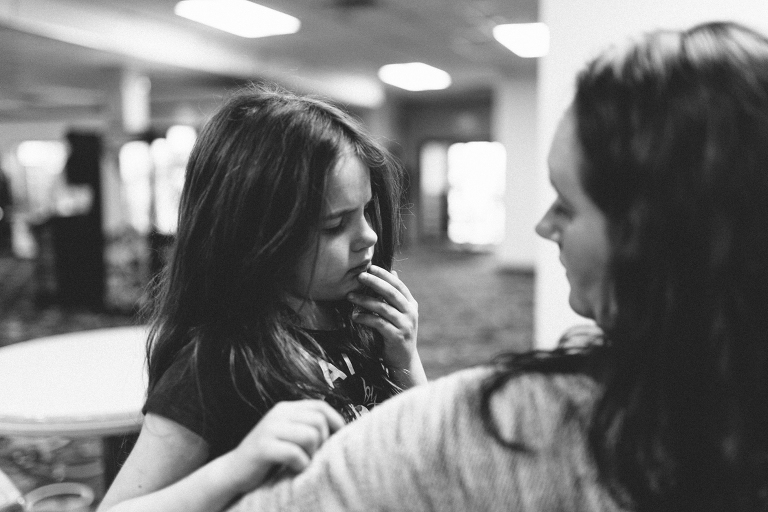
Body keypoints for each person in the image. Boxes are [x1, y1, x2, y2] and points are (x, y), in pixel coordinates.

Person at [225, 21, 768, 512]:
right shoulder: (227, 357)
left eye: (568, 205)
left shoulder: (512, 427)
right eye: (333, 224)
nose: (543, 226)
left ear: (649, 235)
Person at [97, 85, 427, 512]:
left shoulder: (352, 315)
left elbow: (424, 444)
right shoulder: (216, 363)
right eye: (334, 225)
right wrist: (237, 466)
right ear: (260, 236)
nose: (369, 236)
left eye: (365, 211)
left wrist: (405, 362)